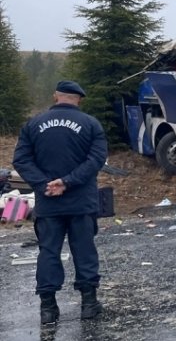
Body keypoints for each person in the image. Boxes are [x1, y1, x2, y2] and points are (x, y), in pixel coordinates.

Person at [12, 80, 108, 324]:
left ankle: (48, 309)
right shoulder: (90, 124)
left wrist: (45, 184)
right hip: (81, 202)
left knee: (49, 252)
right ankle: (88, 304)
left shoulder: (33, 124)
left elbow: (21, 160)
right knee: (84, 250)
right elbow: (96, 159)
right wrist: (67, 182)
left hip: (48, 202)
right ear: (79, 99)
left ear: (56, 96)